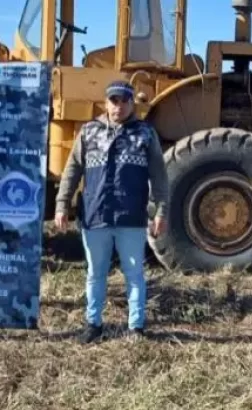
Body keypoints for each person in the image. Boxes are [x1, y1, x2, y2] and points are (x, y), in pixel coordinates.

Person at [54, 80, 169, 343]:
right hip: (95, 215)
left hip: (131, 217)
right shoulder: (89, 132)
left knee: (134, 274)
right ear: (106, 103)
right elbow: (72, 170)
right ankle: (93, 325)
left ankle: (136, 327)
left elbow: (159, 177)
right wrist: (62, 205)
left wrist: (161, 212)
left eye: (124, 101)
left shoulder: (145, 134)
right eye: (114, 101)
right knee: (95, 274)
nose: (119, 106)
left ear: (132, 103)